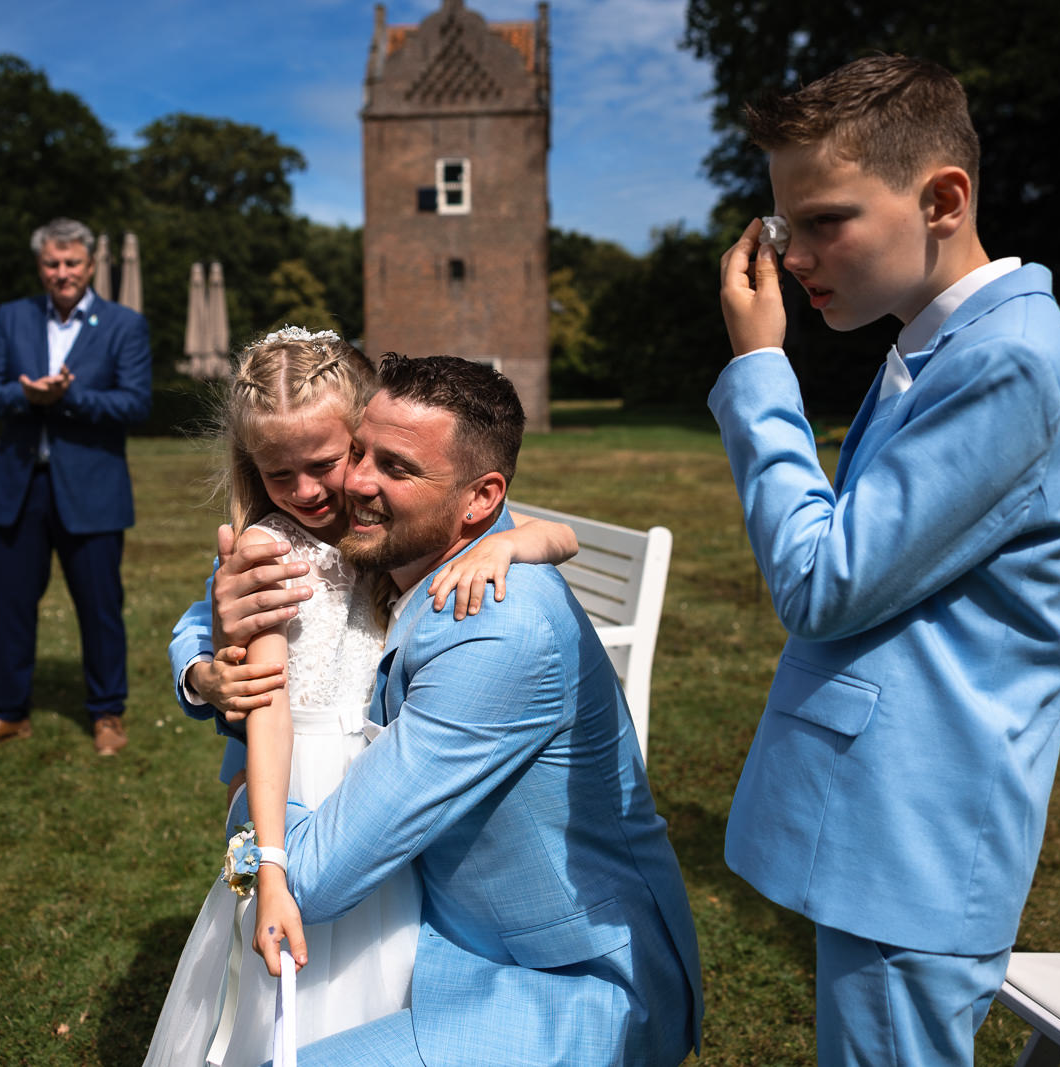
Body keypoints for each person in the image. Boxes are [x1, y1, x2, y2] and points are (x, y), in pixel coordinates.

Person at [712, 55, 1060, 1065]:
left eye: (824, 218)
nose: (794, 254)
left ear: (940, 198)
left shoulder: (1006, 357)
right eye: (780, 226)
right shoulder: (938, 347)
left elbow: (822, 581)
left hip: (920, 838)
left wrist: (761, 372)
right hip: (885, 822)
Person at [203, 355, 703, 1066]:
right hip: (447, 931)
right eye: (361, 452)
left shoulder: (493, 627)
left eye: (396, 468)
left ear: (479, 499)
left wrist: (238, 806)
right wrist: (208, 661)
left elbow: (309, 880)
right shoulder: (414, 557)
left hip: (557, 983)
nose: (355, 482)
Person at [143, 330, 579, 1066]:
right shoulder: (268, 548)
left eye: (326, 463)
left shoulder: (409, 515)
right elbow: (222, 639)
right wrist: (203, 668)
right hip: (294, 777)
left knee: (386, 952)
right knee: (292, 981)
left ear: (363, 435)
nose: (308, 490)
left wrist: (509, 544)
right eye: (280, 474)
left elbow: (552, 532)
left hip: (389, 770)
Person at [0, 218, 151, 758]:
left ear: (89, 267)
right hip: (18, 486)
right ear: (40, 267)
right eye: (51, 263)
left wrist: (66, 398)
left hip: (92, 492)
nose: (61, 273)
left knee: (100, 608)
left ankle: (107, 712)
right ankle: (8, 714)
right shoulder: (13, 318)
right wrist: (27, 398)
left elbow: (136, 403)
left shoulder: (123, 324)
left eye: (71, 263)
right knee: (10, 606)